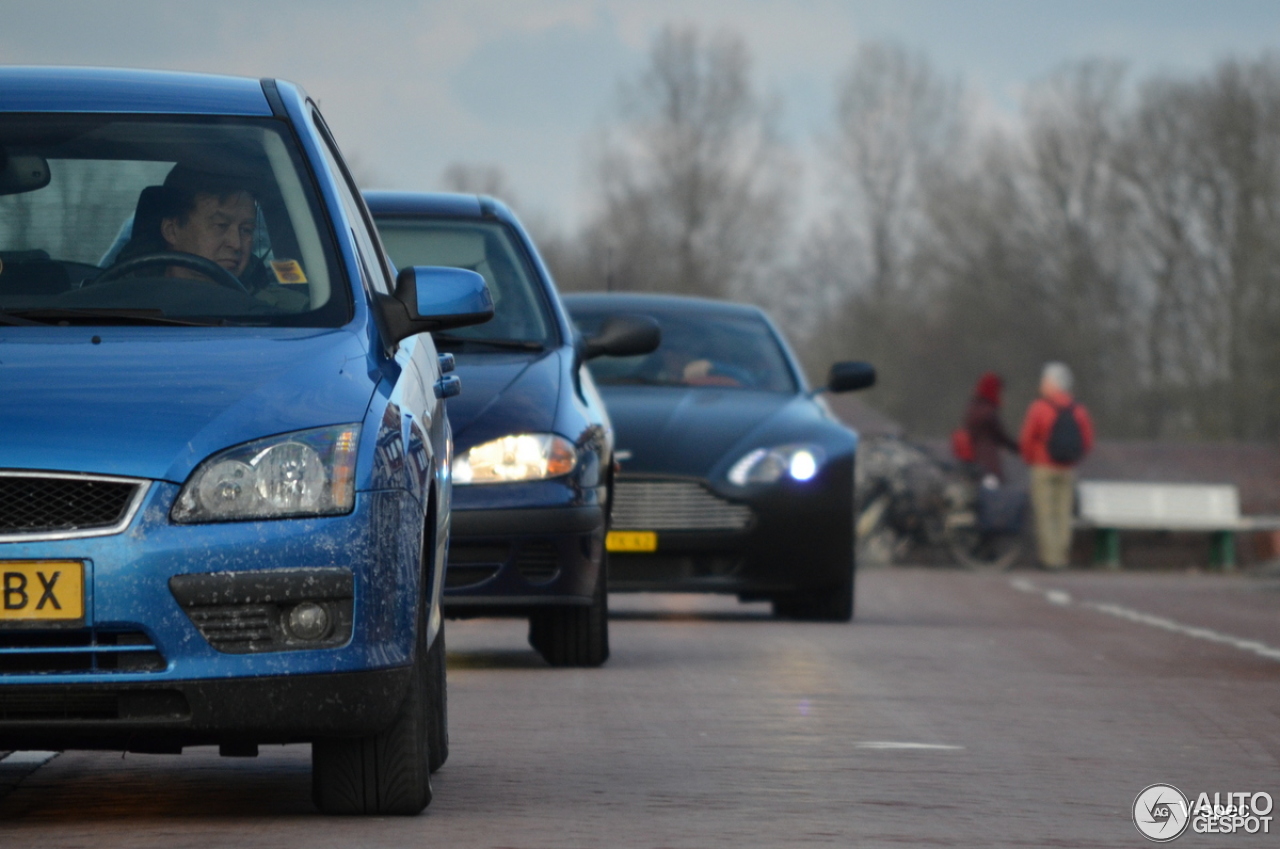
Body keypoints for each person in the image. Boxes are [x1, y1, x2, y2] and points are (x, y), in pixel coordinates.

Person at [1019, 362, 1094, 569]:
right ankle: (1061, 557)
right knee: (1063, 515)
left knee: (1045, 514)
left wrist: (1030, 459)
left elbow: (1027, 438)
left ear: (1052, 383)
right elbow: (1087, 440)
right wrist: (1074, 458)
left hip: (1043, 466)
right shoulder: (1078, 409)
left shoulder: (1040, 408)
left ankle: (1049, 559)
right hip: (1068, 468)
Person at [963, 371, 1019, 484]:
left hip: (973, 461)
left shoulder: (972, 408)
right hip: (988, 462)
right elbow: (1001, 436)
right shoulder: (989, 412)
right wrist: (1019, 448)